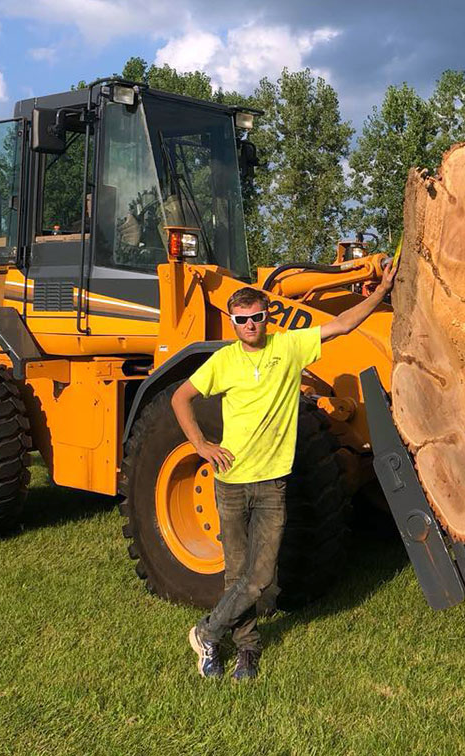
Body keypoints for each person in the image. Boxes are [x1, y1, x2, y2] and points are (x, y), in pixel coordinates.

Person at [171, 263, 396, 681]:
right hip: (232, 484)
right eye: (242, 319)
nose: (250, 324)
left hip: (272, 484)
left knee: (260, 577)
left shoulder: (288, 347)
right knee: (237, 575)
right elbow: (180, 398)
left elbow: (344, 324)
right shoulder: (222, 362)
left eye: (257, 316)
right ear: (234, 322)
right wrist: (201, 445)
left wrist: (381, 291)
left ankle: (206, 632)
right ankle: (245, 649)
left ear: (266, 317)